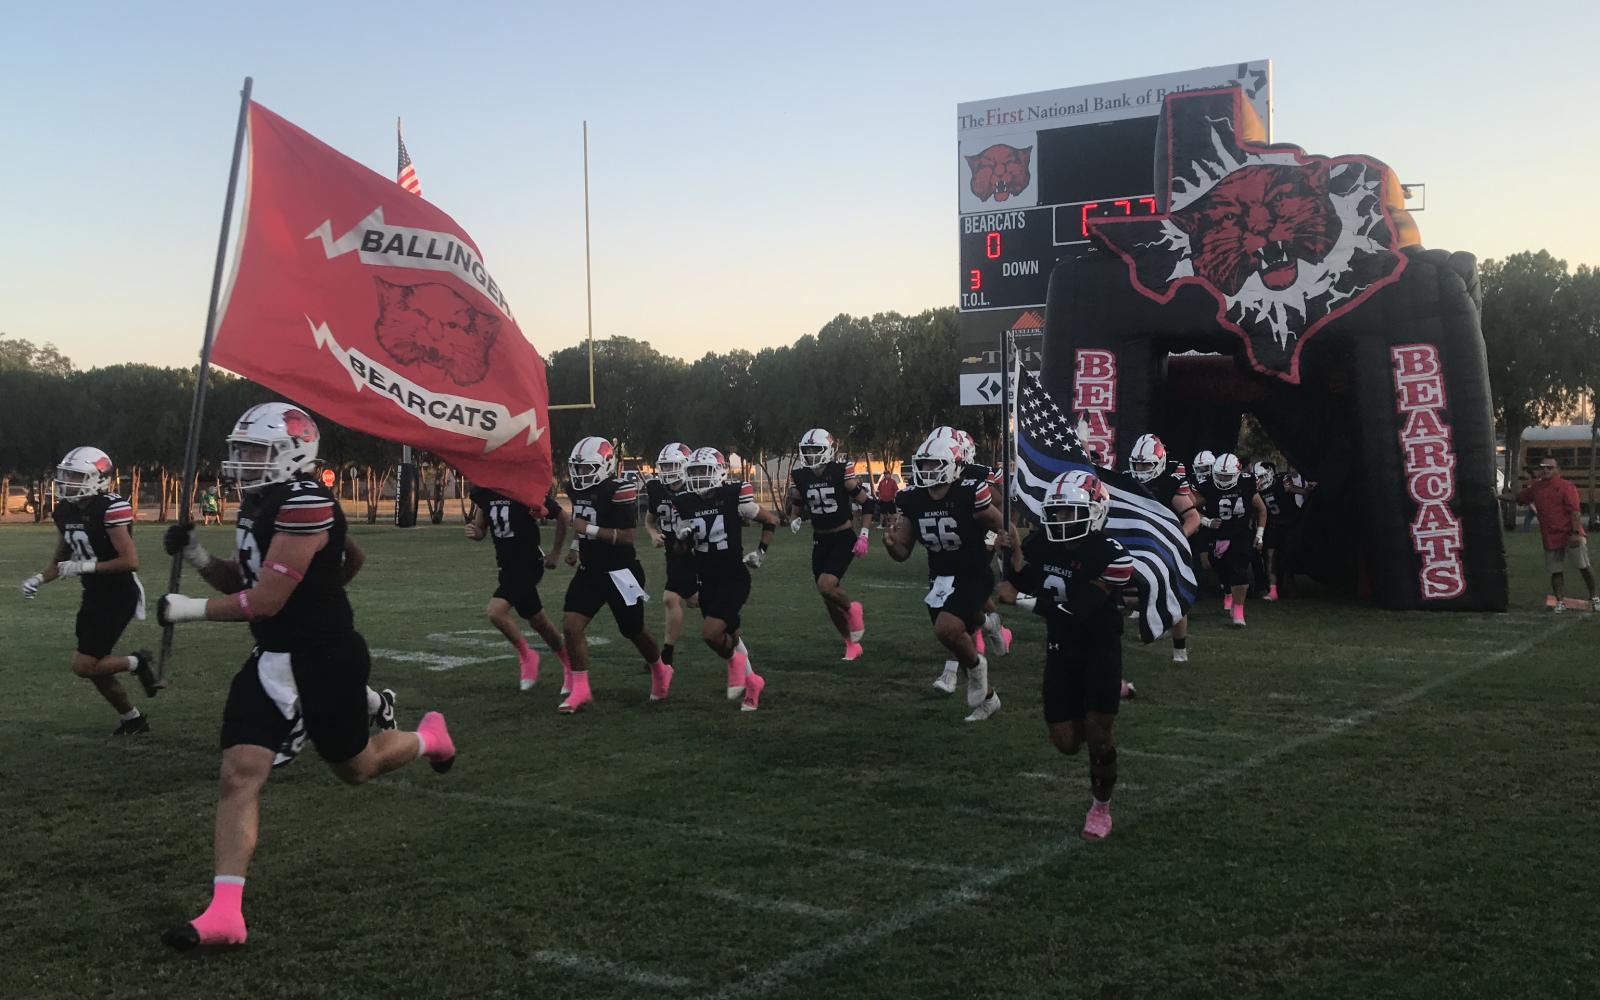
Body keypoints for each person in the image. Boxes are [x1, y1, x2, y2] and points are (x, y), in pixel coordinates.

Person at [156, 402, 453, 950]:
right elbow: (249, 579)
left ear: (292, 453)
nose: (244, 461)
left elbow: (267, 600)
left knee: (356, 768)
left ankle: (429, 738)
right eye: (242, 450)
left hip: (325, 658)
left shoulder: (306, 502)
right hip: (272, 655)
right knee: (238, 773)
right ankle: (225, 914)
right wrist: (198, 557)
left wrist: (189, 610)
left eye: (256, 451)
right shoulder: (261, 501)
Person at [997, 471, 1133, 840]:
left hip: (1098, 646)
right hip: (1060, 648)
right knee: (1066, 742)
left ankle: (1100, 808)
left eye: (1070, 512)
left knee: (1098, 735)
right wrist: (1010, 552)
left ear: (1095, 512)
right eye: (1057, 512)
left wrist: (1020, 600)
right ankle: (1110, 693)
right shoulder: (1042, 543)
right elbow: (1018, 581)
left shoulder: (1112, 555)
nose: (1061, 520)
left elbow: (1077, 611)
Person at [20, 446, 158, 734]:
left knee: (84, 665)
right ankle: (132, 719)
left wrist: (85, 566)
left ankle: (137, 662)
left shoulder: (110, 507)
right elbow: (60, 558)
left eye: (76, 475)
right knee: (96, 666)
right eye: (67, 474)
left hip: (118, 595)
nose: (68, 481)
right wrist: (39, 578)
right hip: (93, 595)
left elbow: (130, 561)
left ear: (99, 478)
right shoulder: (65, 510)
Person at [885, 434, 1003, 722]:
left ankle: (977, 667)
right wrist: (890, 545)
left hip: (973, 571)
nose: (926, 470)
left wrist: (998, 549)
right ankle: (989, 698)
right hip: (940, 577)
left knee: (947, 628)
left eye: (933, 464)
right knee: (955, 640)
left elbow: (1002, 525)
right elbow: (903, 552)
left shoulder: (969, 492)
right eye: (922, 465)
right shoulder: (912, 498)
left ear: (951, 464)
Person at [560, 435, 671, 712]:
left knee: (633, 630)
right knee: (571, 627)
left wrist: (588, 531)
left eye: (587, 467)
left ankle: (660, 669)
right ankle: (581, 689)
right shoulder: (576, 489)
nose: (581, 473)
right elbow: (580, 521)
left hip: (621, 572)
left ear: (605, 465)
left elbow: (626, 537)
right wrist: (575, 546)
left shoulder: (619, 489)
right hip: (590, 570)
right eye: (578, 467)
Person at [675, 447, 778, 709]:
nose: (699, 476)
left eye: (704, 470)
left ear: (719, 471)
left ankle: (735, 663)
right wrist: (681, 538)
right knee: (731, 635)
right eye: (694, 471)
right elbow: (680, 551)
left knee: (711, 634)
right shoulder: (685, 502)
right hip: (706, 579)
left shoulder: (734, 496)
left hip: (733, 577)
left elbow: (770, 520)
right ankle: (753, 683)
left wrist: (761, 553)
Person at [465, 480, 571, 691]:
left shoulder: (523, 490)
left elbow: (562, 516)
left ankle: (527, 655)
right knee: (539, 622)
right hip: (506, 567)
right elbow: (481, 528)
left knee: (496, 611)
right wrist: (476, 533)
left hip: (528, 564)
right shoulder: (484, 492)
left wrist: (556, 553)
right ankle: (570, 666)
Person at [787, 428, 874, 661]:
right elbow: (797, 504)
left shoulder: (840, 471)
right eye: (808, 450)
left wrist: (864, 535)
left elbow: (867, 504)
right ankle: (850, 643)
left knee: (826, 585)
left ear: (828, 450)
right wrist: (794, 518)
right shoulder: (801, 476)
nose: (811, 454)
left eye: (816, 449)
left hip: (843, 536)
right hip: (820, 539)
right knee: (827, 597)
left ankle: (853, 609)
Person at [1129, 433, 1200, 663]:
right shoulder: (1126, 479)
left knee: (1175, 598)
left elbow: (1193, 518)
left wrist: (1174, 541)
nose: (1140, 469)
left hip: (1164, 548)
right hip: (1137, 545)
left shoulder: (1171, 481)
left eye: (1146, 464)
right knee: (1126, 594)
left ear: (1159, 462)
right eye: (1137, 464)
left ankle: (1180, 650)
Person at [1509, 457, 1598, 612]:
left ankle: (1595, 597)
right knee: (1555, 570)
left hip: (1570, 534)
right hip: (1550, 536)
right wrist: (1493, 494)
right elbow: (1518, 498)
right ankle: (1560, 602)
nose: (1546, 470)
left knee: (1583, 566)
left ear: (1557, 470)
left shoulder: (1566, 486)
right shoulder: (1536, 488)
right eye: (1543, 467)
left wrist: (1575, 533)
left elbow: (1575, 511)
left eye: (1550, 467)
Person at [1193, 453, 1267, 628]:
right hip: (1216, 533)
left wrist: (1259, 535)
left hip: (1240, 532)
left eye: (1227, 476)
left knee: (1239, 568)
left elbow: (1262, 509)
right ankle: (1227, 588)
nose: (1222, 479)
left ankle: (1238, 611)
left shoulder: (1246, 483)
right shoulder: (1207, 486)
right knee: (1216, 565)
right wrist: (1206, 521)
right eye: (1219, 475)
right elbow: (1188, 507)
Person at [645, 443, 699, 674]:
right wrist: (653, 534)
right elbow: (649, 520)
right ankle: (667, 656)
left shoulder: (696, 487)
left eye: (672, 465)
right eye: (664, 466)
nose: (667, 470)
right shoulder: (657, 489)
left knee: (674, 599)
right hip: (672, 553)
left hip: (695, 552)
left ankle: (666, 656)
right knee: (686, 599)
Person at [1253, 461, 1291, 602]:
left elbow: (1295, 490)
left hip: (1287, 525)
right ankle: (1273, 590)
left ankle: (1288, 585)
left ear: (1269, 473)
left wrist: (1307, 490)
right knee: (1270, 558)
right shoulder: (1256, 492)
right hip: (1270, 526)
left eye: (1262, 477)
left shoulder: (1281, 482)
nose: (1260, 480)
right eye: (1258, 477)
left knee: (1287, 557)